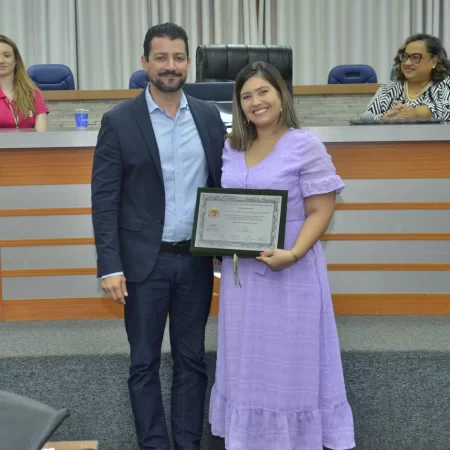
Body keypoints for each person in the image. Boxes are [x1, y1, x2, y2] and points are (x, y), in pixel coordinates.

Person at [91, 23, 226, 450]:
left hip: (195, 262)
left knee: (192, 361)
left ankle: (187, 444)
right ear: (145, 62)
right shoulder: (118, 121)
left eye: (179, 57)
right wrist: (110, 266)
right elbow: (105, 200)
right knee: (144, 364)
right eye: (161, 57)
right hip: (141, 265)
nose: (171, 66)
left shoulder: (208, 116)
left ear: (188, 63)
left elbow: (221, 186)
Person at [209, 61, 355, 450]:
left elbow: (321, 210)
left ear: (281, 95)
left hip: (291, 271)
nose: (256, 102)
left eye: (263, 92)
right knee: (247, 360)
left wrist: (292, 253)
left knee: (289, 362)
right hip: (243, 280)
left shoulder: (305, 144)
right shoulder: (232, 147)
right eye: (246, 96)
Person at [364, 33, 450, 120]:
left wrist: (415, 113)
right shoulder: (389, 88)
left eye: (415, 57)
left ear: (434, 62)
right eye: (405, 56)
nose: (407, 63)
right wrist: (383, 119)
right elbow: (366, 118)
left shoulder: (445, 85)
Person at [0, 35, 48, 131]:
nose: (1, 61)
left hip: (31, 141)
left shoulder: (33, 94)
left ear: (16, 60)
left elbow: (42, 135)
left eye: (7, 56)